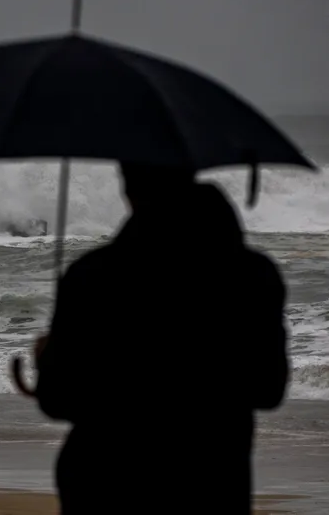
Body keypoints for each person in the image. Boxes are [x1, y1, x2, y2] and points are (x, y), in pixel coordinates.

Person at [33, 162, 290, 514]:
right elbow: (269, 389)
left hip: (105, 483)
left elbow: (59, 400)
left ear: (128, 188)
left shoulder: (93, 275)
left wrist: (47, 361)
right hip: (211, 481)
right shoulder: (253, 275)